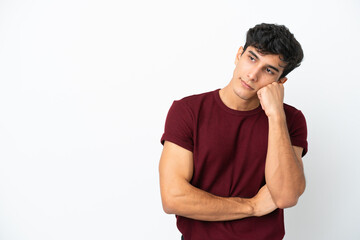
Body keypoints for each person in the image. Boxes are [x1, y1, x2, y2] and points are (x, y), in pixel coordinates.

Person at [159, 23, 308, 240]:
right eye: (252, 58)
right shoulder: (188, 110)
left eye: (269, 70)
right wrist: (252, 206)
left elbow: (286, 196)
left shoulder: (291, 120)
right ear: (239, 54)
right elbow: (173, 198)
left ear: (280, 82)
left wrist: (276, 115)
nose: (253, 75)